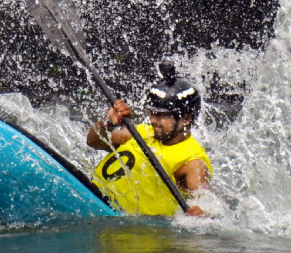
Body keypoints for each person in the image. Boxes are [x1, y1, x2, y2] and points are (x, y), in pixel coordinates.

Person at [86, 62, 212, 217]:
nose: (152, 120)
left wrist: (202, 212)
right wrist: (109, 122)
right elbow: (94, 141)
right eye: (152, 113)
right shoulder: (142, 131)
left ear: (185, 118)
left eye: (161, 115)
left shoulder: (193, 163)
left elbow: (207, 205)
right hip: (90, 191)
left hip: (117, 218)